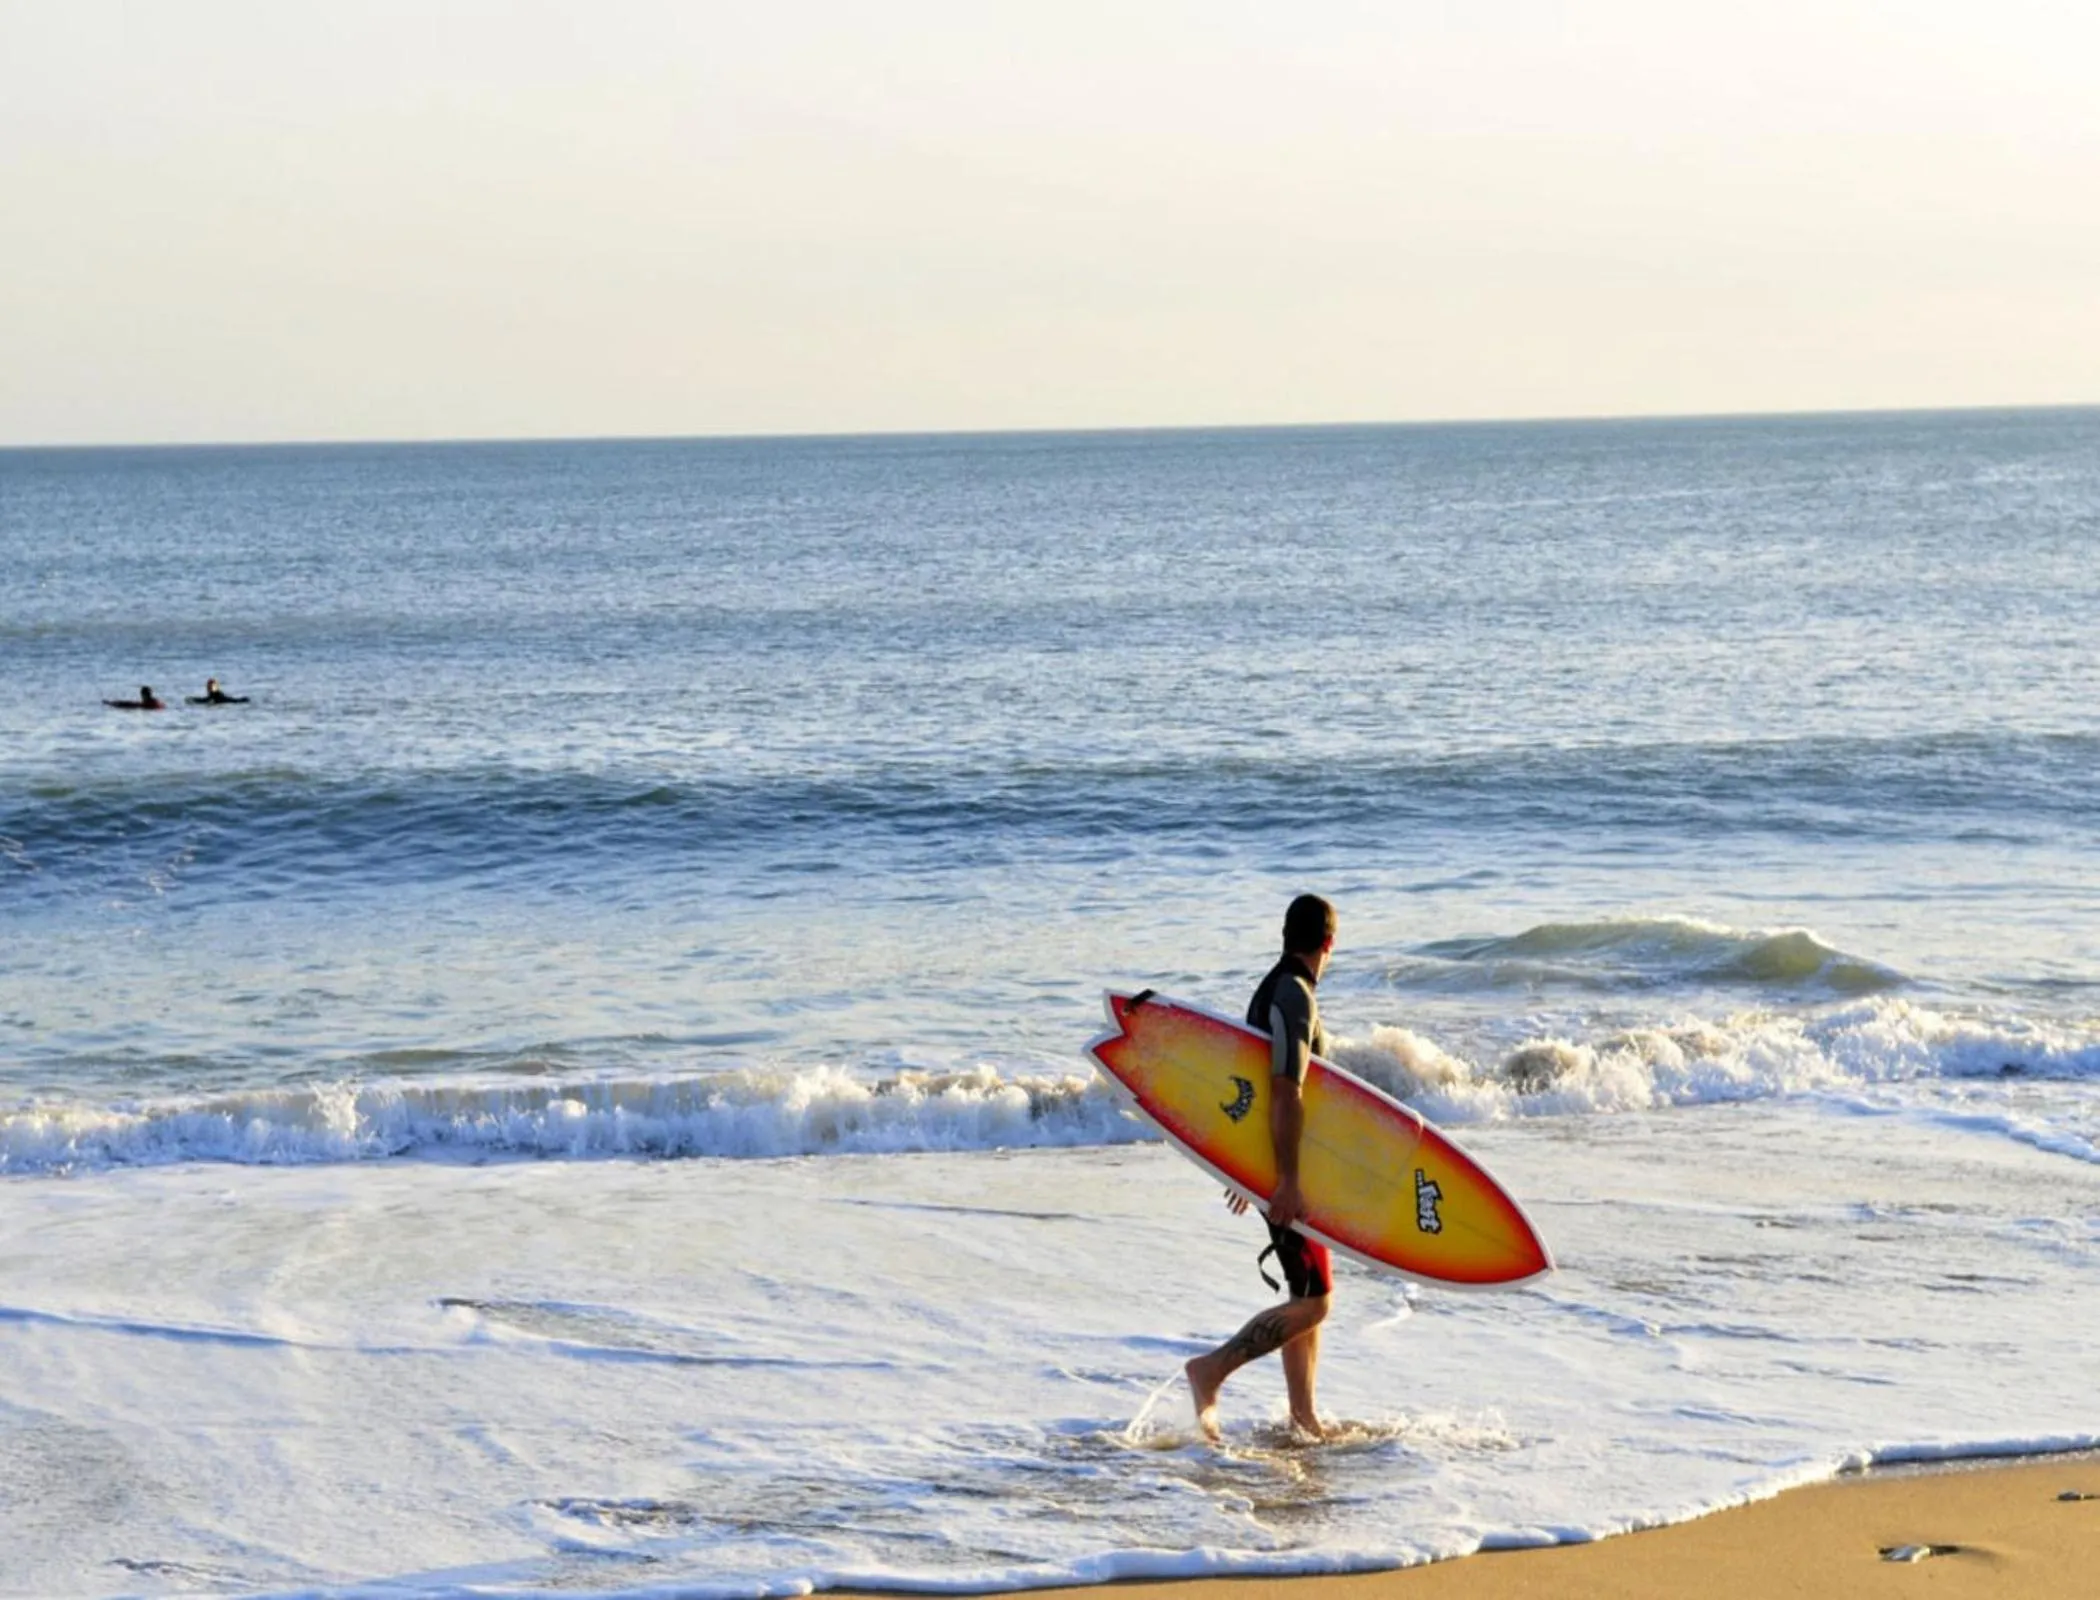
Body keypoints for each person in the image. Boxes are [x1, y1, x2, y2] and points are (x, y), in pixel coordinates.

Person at [1185, 893, 1338, 1442]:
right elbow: (1283, 1090)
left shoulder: (1270, 988)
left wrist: (1243, 1167)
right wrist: (1287, 1180)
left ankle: (1304, 1417)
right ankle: (1212, 1370)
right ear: (1329, 943)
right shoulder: (1296, 995)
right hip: (1287, 1172)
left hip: (1271, 1165)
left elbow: (1245, 1088)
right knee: (1317, 1301)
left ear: (1284, 936)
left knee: (1306, 1294)